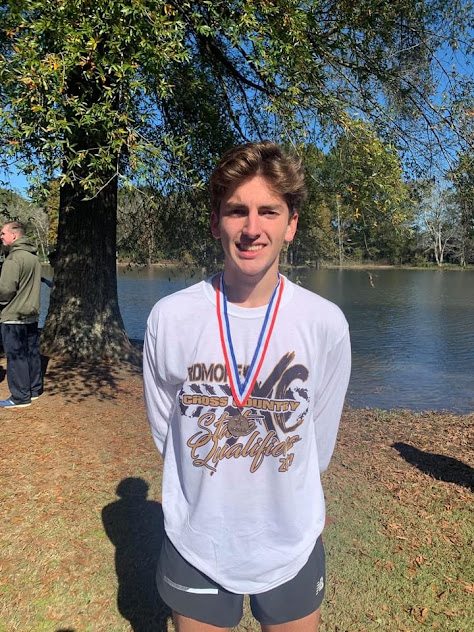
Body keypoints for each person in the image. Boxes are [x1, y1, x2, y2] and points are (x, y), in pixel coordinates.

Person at [143, 141, 351, 632]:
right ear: (216, 222)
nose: (252, 228)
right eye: (237, 211)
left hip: (289, 538)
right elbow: (164, 430)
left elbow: (317, 438)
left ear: (291, 224)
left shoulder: (324, 323)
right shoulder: (169, 318)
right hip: (198, 538)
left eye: (268, 211)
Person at [0, 221, 43, 408]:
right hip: (31, 314)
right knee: (31, 353)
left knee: (16, 357)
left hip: (14, 316)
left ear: (14, 236)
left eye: (3, 233)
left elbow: (6, 290)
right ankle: (34, 390)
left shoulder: (13, 258)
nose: (1, 236)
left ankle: (20, 397)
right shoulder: (33, 258)